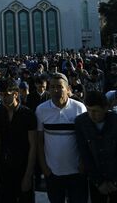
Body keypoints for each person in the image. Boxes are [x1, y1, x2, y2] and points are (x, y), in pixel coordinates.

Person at [36, 72, 88, 203]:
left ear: (68, 89)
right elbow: (39, 140)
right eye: (52, 86)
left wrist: (83, 162)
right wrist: (44, 166)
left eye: (59, 86)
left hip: (76, 172)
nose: (55, 90)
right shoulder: (41, 110)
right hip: (53, 173)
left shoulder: (79, 108)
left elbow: (86, 139)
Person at [75, 91, 117, 203]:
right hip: (96, 180)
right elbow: (85, 154)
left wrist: (116, 182)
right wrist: (98, 182)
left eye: (95, 111)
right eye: (88, 110)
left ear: (106, 108)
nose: (91, 114)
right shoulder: (81, 122)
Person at [0, 79, 37, 203]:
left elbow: (33, 146)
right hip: (3, 170)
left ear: (15, 94)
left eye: (6, 94)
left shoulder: (28, 114)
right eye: (0, 95)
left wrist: (28, 175)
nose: (2, 98)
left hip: (23, 168)